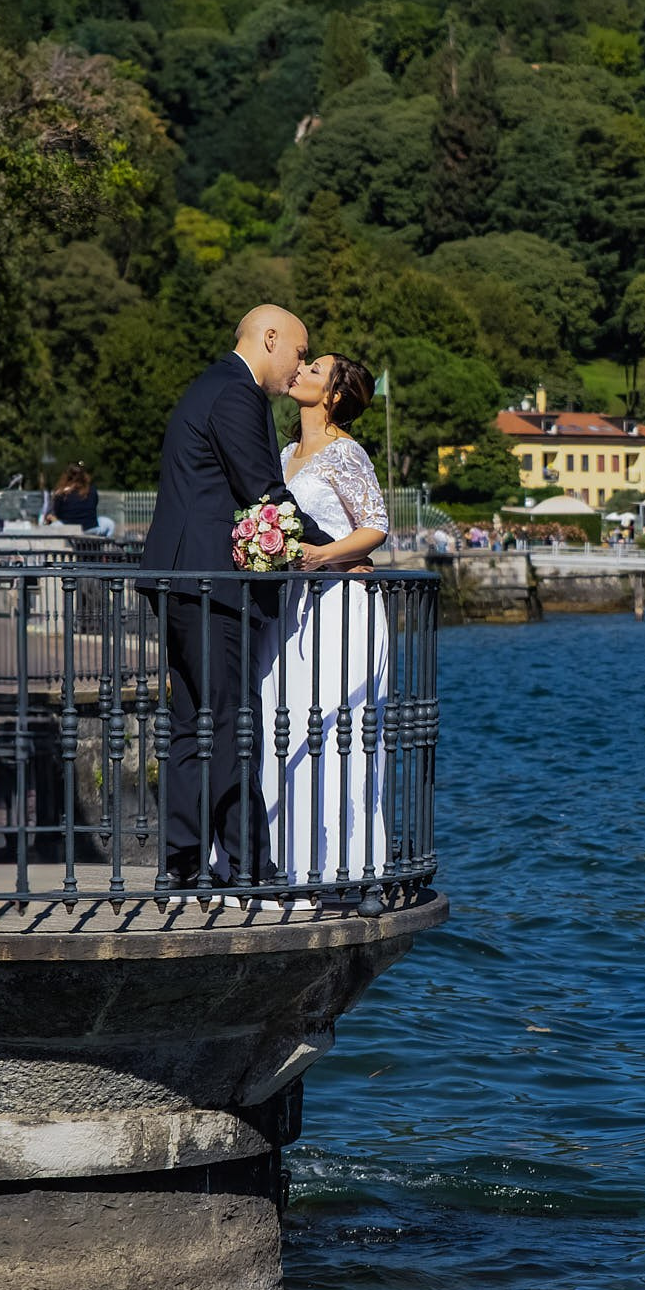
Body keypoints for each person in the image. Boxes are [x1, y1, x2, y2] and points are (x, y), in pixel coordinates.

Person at [139, 305, 332, 891]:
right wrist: (338, 549)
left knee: (191, 721)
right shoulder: (237, 394)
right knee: (230, 723)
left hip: (179, 578)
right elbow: (264, 493)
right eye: (298, 351)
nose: (298, 363)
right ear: (269, 339)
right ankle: (251, 868)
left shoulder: (210, 385)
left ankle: (183, 862)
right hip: (212, 586)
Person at [250, 354, 389, 895]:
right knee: (278, 724)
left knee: (329, 726)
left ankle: (336, 867)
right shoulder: (284, 454)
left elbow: (375, 527)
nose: (301, 371)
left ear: (333, 396)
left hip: (337, 609)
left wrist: (322, 555)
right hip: (290, 606)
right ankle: (280, 859)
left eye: (315, 371)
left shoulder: (346, 453)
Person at [44, 463, 114, 537]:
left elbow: (58, 514)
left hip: (69, 530)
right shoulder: (92, 489)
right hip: (90, 529)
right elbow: (94, 505)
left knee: (54, 525)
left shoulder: (61, 493)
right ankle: (103, 545)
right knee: (109, 523)